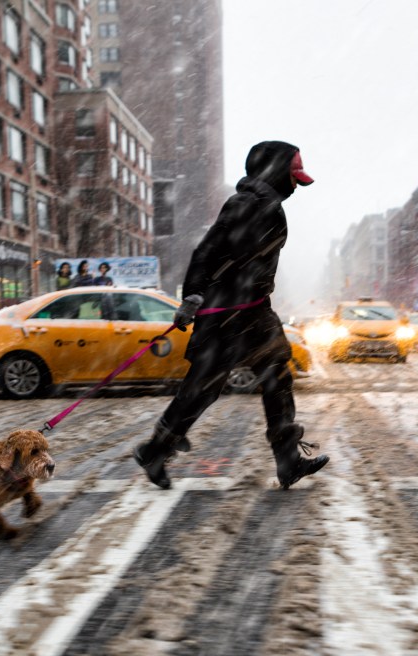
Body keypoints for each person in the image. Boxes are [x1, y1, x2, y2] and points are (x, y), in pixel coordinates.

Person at [134, 140, 329, 490]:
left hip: (249, 311)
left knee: (273, 378)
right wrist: (193, 296)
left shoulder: (261, 202)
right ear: (274, 172)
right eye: (293, 178)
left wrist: (205, 295)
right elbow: (207, 251)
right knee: (205, 389)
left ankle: (287, 461)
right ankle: (156, 449)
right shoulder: (248, 203)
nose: (295, 187)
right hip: (230, 314)